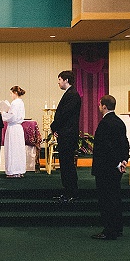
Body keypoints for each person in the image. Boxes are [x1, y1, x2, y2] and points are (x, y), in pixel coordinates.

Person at [90, 95, 130, 240]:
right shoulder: (120, 122)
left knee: (106, 200)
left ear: (104, 106)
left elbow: (105, 148)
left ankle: (109, 230)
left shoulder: (104, 124)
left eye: (100, 104)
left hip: (106, 167)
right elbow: (125, 143)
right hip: (117, 167)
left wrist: (117, 163)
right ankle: (117, 228)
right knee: (115, 198)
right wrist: (124, 160)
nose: (99, 106)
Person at [51, 71, 82, 199]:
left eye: (59, 79)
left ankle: (71, 192)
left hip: (68, 134)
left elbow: (64, 114)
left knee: (67, 164)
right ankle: (68, 191)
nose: (58, 82)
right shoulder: (70, 94)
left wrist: (54, 126)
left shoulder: (72, 95)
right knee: (65, 164)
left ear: (66, 80)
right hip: (66, 133)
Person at [2, 86, 27, 178]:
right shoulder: (21, 102)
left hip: (13, 127)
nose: (10, 95)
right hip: (18, 128)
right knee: (18, 149)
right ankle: (19, 170)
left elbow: (12, 117)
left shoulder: (15, 103)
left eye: (11, 93)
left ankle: (12, 171)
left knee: (12, 149)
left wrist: (3, 114)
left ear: (15, 93)